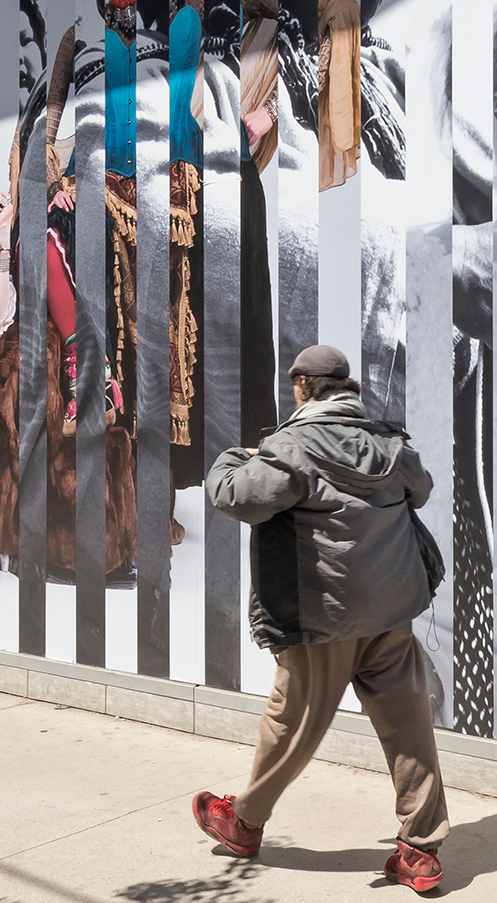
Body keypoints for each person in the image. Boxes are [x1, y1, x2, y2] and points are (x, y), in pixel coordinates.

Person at [192, 344, 449, 895]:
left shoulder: (291, 447)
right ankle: (420, 853)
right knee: (409, 725)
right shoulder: (389, 442)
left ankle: (242, 821)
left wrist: (232, 458)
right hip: (390, 610)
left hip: (323, 612)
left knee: (294, 723)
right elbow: (419, 490)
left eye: (294, 384)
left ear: (305, 387)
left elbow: (234, 496)